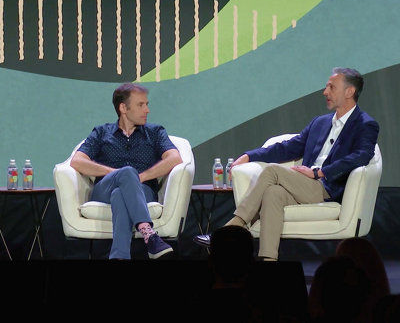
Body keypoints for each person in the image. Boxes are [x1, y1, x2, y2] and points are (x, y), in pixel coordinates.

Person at [193, 67, 379, 261]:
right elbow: (289, 147)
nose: (325, 92)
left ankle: (232, 227)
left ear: (349, 92)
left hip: (328, 187)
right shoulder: (320, 123)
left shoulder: (365, 124)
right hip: (304, 185)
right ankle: (269, 261)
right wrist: (250, 155)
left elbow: (362, 155)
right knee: (273, 193)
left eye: (331, 87)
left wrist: (321, 173)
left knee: (273, 171)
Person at [70, 83, 182, 260]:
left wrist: (139, 178)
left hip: (142, 191)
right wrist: (120, 174)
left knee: (119, 195)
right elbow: (77, 161)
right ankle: (149, 233)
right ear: (123, 108)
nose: (147, 110)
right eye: (141, 105)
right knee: (124, 175)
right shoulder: (101, 132)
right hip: (103, 189)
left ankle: (119, 256)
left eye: (147, 104)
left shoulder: (154, 132)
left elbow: (175, 158)